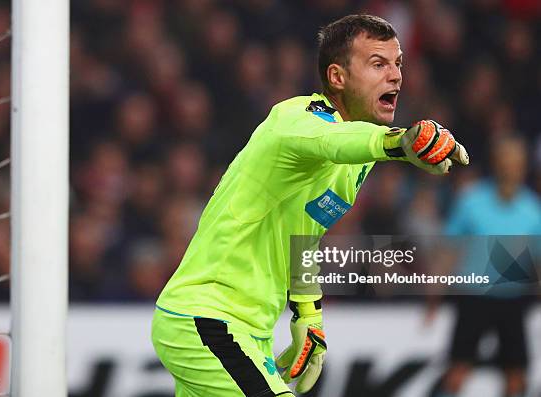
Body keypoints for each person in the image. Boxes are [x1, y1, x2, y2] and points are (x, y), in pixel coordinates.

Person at [151, 14, 469, 397]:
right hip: (207, 318)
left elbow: (304, 234)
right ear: (337, 77)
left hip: (251, 332)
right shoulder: (295, 118)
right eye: (378, 64)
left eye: (398, 63)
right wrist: (400, 143)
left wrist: (308, 314)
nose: (397, 76)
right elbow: (331, 141)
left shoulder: (359, 160)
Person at [431, 135, 540, 397]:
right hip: (473, 296)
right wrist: (433, 295)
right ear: (495, 164)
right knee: (457, 371)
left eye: (515, 163)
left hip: (513, 299)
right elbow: (449, 250)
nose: (510, 168)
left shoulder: (532, 210)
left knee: (516, 377)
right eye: (505, 162)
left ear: (523, 166)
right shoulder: (471, 201)